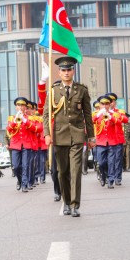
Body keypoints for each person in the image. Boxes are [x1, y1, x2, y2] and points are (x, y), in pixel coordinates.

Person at [43, 56, 95, 217]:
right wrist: (47, 134)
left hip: (77, 136)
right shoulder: (52, 91)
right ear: (59, 73)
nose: (66, 73)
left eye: (69, 70)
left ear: (73, 71)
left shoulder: (82, 90)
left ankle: (74, 205)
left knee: (75, 170)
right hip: (59, 136)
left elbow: (88, 115)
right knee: (62, 172)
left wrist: (91, 137)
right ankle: (66, 201)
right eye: (63, 70)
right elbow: (46, 114)